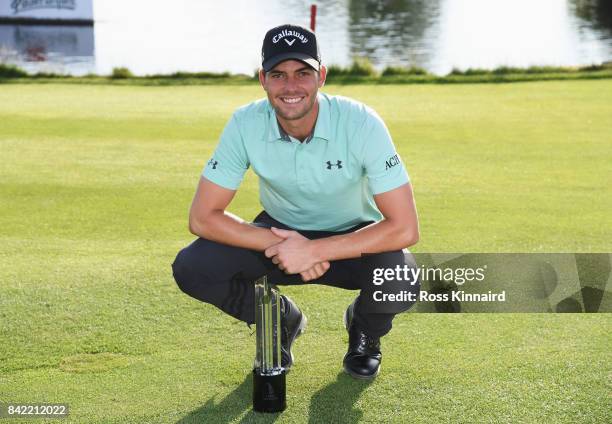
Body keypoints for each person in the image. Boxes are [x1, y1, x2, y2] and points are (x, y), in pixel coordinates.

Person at [172, 24, 420, 380]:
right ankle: (280, 320)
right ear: (263, 80)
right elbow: (202, 218)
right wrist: (282, 243)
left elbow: (405, 227)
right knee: (193, 266)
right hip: (279, 238)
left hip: (352, 238)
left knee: (401, 278)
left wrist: (317, 251)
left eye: (303, 73)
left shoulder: (362, 122)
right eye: (279, 75)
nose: (291, 87)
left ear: (321, 75)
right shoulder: (245, 123)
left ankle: (365, 331)